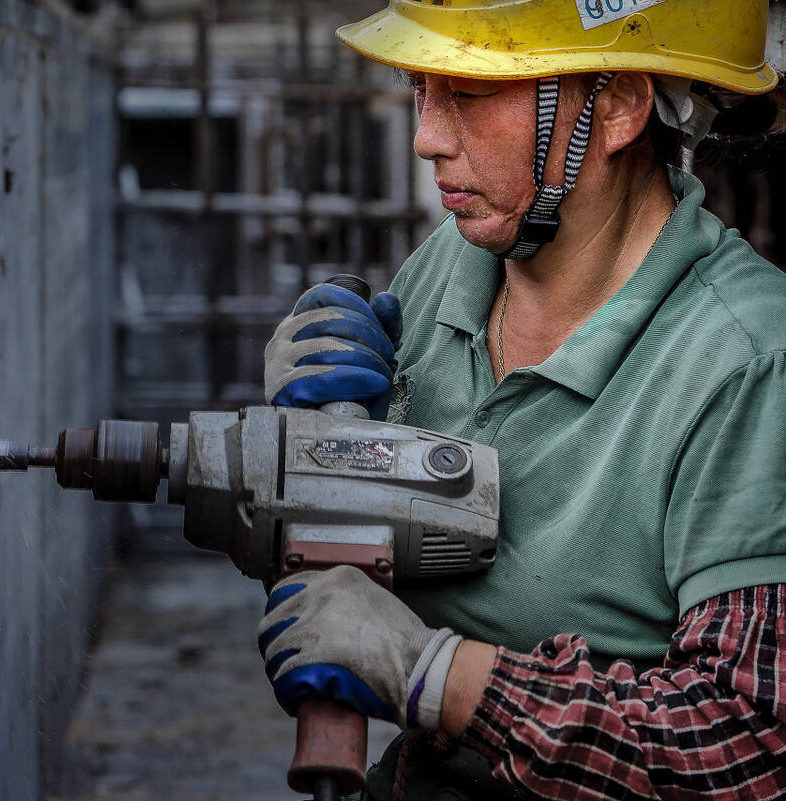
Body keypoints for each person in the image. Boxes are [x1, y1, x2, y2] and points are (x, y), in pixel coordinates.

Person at [258, 1, 786, 798]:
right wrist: (304, 453)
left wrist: (441, 678)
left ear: (616, 106)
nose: (427, 137)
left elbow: (746, 747)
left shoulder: (748, 363)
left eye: (470, 93)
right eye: (419, 87)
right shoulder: (453, 262)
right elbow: (351, 589)